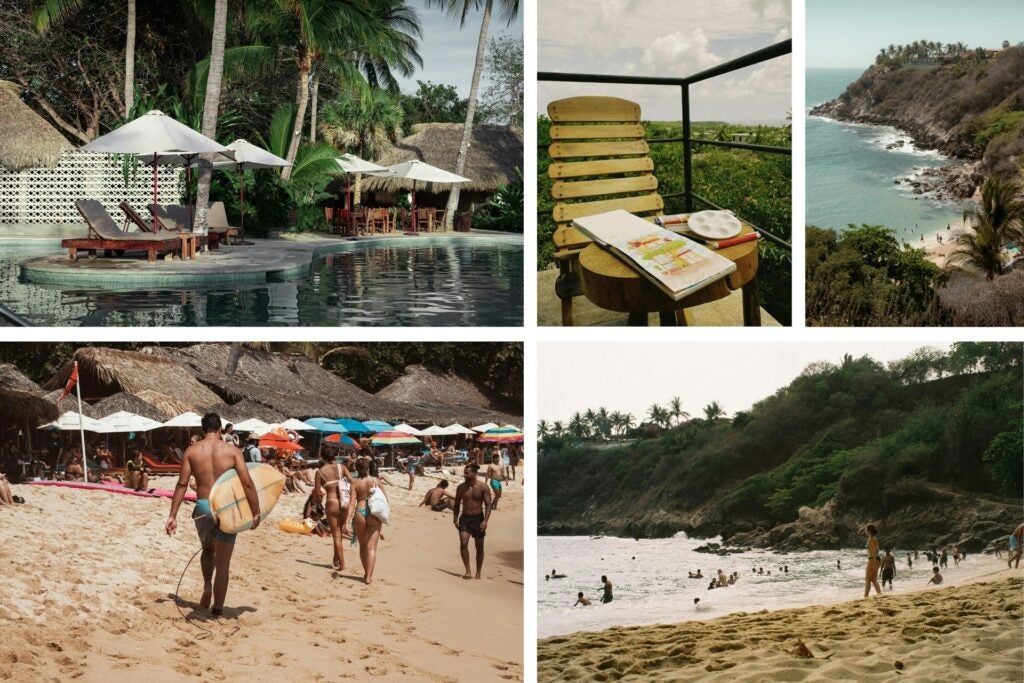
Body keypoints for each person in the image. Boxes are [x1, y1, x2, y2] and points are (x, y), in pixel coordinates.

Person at [166, 413, 261, 617]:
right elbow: (247, 483)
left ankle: (207, 586)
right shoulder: (233, 451)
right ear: (220, 429)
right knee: (223, 563)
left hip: (202, 507)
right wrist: (256, 511)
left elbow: (182, 484)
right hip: (226, 509)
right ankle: (217, 610)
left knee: (207, 550)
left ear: (203, 430)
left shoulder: (192, 451)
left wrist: (172, 515)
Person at [314, 451, 355, 571]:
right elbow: (352, 482)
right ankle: (336, 559)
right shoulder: (341, 467)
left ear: (322, 458)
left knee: (336, 536)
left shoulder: (320, 472)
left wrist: (319, 497)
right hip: (345, 502)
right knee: (340, 534)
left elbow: (317, 495)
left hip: (332, 503)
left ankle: (342, 564)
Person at [351, 457, 388, 584]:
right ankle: (369, 577)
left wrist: (345, 522)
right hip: (374, 512)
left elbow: (352, 503)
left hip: (360, 512)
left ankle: (366, 572)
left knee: (362, 546)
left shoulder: (355, 483)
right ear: (368, 467)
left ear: (356, 468)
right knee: (371, 547)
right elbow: (385, 500)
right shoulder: (376, 481)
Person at [454, 464, 492, 580]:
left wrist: (485, 521)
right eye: (465, 473)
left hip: (478, 519)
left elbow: (488, 505)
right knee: (463, 543)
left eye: (467, 473)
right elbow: (456, 504)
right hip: (465, 518)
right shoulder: (461, 488)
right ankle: (468, 571)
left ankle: (478, 572)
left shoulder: (483, 487)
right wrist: (455, 519)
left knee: (479, 547)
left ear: (474, 474)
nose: (465, 475)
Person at [863, 524, 882, 599]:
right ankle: (880, 594)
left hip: (872, 560)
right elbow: (876, 551)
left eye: (866, 530)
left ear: (869, 531)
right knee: (874, 580)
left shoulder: (871, 539)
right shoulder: (875, 539)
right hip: (877, 559)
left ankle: (865, 597)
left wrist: (873, 564)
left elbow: (873, 552)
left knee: (867, 580)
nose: (865, 531)